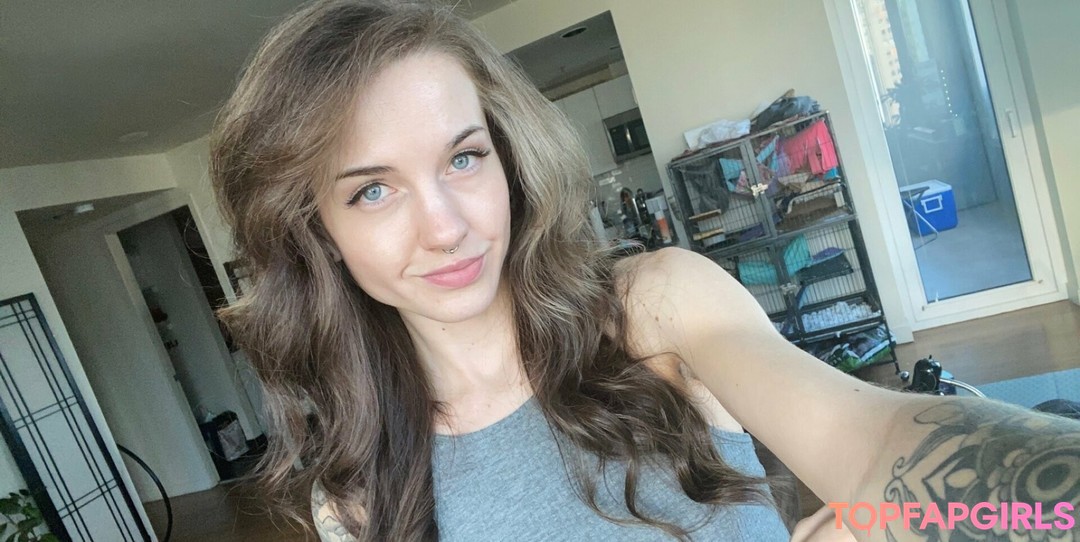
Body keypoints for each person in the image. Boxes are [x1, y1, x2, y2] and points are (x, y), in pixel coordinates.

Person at [209, 1, 1080, 541]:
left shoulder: (654, 308)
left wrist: (1009, 504)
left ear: (507, 158)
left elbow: (878, 441)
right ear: (317, 230)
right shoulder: (356, 495)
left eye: (464, 158)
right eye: (371, 191)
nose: (445, 227)